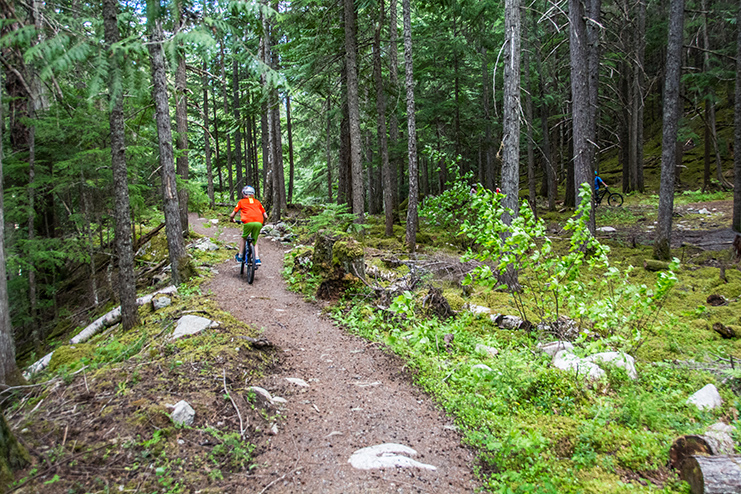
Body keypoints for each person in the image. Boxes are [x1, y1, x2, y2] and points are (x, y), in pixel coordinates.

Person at [229, 186, 268, 266]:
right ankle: (257, 258)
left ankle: (240, 256)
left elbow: (232, 214)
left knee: (244, 238)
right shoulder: (257, 202)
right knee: (255, 241)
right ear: (253, 194)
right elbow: (266, 216)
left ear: (244, 194)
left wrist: (232, 219)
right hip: (258, 222)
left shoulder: (241, 202)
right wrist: (263, 223)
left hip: (247, 222)